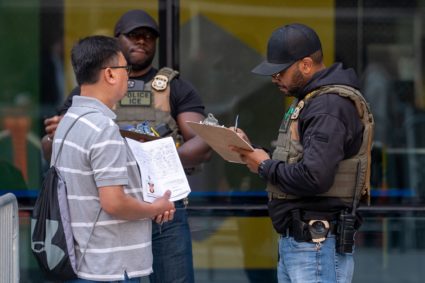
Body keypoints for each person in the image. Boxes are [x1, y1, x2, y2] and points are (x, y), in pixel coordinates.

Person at [41, 9, 211, 283]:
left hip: (162, 206)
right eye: (133, 35)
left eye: (148, 36)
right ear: (116, 42)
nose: (141, 41)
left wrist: (152, 160)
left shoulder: (174, 87)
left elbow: (204, 142)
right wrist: (55, 136)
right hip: (115, 213)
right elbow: (54, 149)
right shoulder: (87, 97)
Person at [231, 23, 374, 283]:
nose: (274, 78)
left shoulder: (327, 106)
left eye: (280, 71)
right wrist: (254, 153)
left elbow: (315, 176)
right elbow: (301, 161)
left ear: (306, 65)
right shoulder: (314, 100)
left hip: (316, 244)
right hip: (305, 245)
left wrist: (264, 166)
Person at [53, 35, 175, 282]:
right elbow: (114, 202)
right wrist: (155, 208)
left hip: (85, 259)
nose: (128, 76)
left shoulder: (69, 121)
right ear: (109, 74)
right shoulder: (103, 128)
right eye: (125, 69)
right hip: (112, 268)